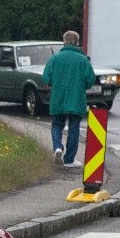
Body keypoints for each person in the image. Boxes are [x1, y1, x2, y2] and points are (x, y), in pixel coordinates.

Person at [43, 30, 96, 168]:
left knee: (57, 125)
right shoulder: (83, 60)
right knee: (74, 128)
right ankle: (69, 160)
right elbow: (90, 80)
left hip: (58, 98)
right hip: (76, 99)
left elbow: (46, 78)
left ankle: (57, 148)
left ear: (64, 42)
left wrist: (53, 84)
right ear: (77, 43)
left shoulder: (55, 58)